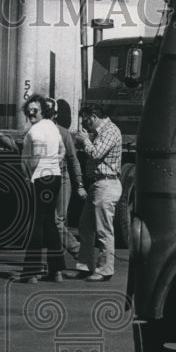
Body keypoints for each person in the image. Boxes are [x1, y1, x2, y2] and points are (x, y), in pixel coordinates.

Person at [19, 94, 66, 284]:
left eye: (34, 110)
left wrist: (29, 175)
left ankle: (31, 272)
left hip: (40, 178)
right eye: (28, 110)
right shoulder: (52, 127)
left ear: (42, 111)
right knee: (49, 224)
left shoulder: (36, 130)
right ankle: (56, 271)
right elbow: (62, 150)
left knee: (36, 225)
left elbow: (36, 155)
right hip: (54, 176)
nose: (31, 113)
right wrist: (54, 162)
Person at [74, 104, 122, 282]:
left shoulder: (110, 131)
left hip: (106, 183)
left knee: (103, 230)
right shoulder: (101, 132)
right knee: (85, 227)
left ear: (93, 117)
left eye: (86, 120)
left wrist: (85, 140)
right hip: (97, 183)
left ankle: (105, 270)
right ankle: (85, 266)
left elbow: (96, 153)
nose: (85, 125)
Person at [45, 97, 83, 257]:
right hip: (44, 180)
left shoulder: (63, 133)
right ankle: (68, 252)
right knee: (49, 219)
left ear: (55, 115)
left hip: (62, 179)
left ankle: (76, 250)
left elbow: (73, 159)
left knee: (57, 220)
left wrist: (79, 183)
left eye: (50, 113)